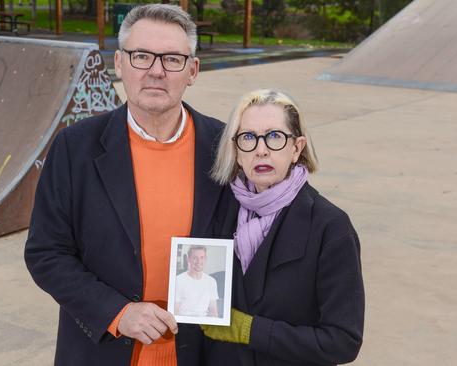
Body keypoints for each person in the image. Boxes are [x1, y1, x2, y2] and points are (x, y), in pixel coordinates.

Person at [24, 4, 237, 366]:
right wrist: (117, 312)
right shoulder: (75, 148)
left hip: (198, 351)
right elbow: (46, 252)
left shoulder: (223, 147)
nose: (156, 71)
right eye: (142, 56)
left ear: (193, 70)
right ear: (119, 64)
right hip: (104, 350)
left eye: (172, 59)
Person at [202, 89, 365, 365]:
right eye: (248, 138)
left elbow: (343, 342)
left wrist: (252, 331)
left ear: (296, 148)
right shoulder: (220, 213)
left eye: (275, 136)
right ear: (237, 152)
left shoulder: (331, 227)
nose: (261, 149)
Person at [175, 246, 219, 317]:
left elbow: (213, 312)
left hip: (203, 324)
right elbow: (175, 312)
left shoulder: (211, 281)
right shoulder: (178, 280)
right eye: (195, 258)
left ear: (205, 259)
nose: (199, 261)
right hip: (184, 322)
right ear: (188, 259)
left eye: (202, 257)